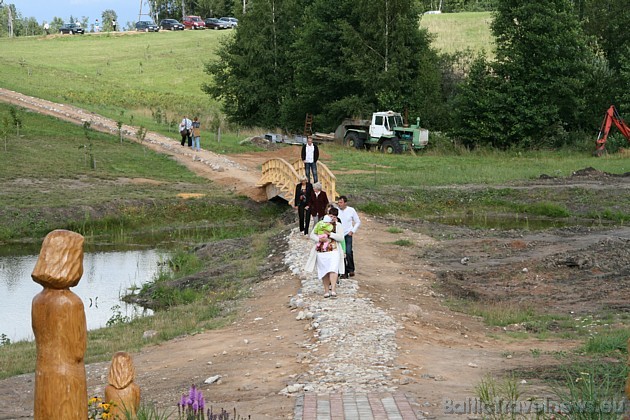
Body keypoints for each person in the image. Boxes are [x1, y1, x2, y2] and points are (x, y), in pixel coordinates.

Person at [304, 215, 345, 298]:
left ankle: (333, 289)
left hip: (334, 250)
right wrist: (319, 239)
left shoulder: (338, 225)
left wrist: (330, 234)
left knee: (333, 268)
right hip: (322, 251)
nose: (332, 218)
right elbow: (312, 235)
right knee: (324, 270)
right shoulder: (320, 224)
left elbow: (341, 238)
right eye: (330, 216)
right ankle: (326, 290)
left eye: (333, 216)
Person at [337, 195, 361, 278]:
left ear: (345, 203)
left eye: (341, 202)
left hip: (348, 233)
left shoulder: (351, 210)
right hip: (339, 234)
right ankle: (343, 272)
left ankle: (351, 269)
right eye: (338, 202)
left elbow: (358, 221)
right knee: (341, 252)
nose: (339, 204)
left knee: (348, 251)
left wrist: (352, 231)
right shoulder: (336, 211)